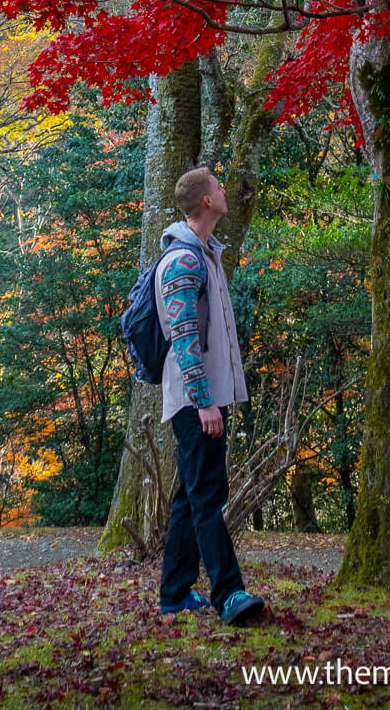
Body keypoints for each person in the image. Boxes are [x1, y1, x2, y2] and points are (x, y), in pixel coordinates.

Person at [155, 165, 266, 626]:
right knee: (206, 496)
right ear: (206, 201)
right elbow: (182, 336)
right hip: (193, 400)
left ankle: (175, 594)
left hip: (201, 398)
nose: (225, 191)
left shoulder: (205, 253)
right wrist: (203, 401)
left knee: (191, 496)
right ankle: (229, 594)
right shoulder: (183, 260)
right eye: (218, 186)